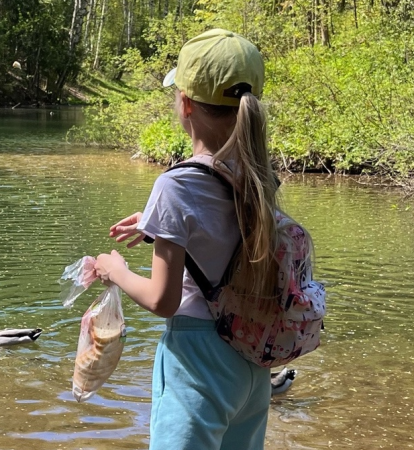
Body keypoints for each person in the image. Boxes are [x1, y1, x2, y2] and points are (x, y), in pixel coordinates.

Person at [92, 29, 280, 450]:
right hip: (252, 354)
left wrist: (114, 269)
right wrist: (159, 224)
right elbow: (228, 239)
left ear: (186, 103)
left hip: (197, 357)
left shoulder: (175, 185)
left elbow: (163, 300)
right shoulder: (259, 175)